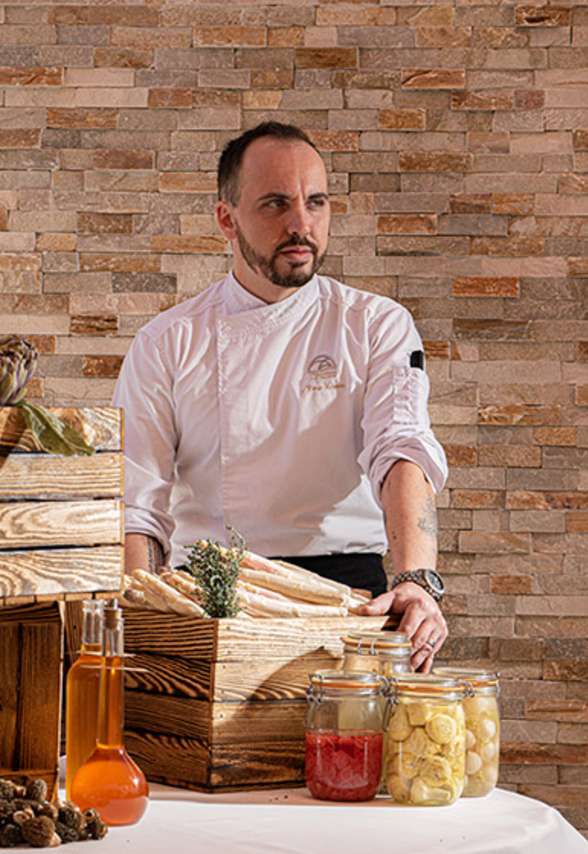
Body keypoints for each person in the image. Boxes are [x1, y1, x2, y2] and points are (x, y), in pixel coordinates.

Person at [111, 121, 449, 672]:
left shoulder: (374, 325)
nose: (301, 224)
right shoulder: (166, 343)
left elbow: (402, 447)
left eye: (315, 202)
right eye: (274, 205)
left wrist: (415, 579)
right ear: (227, 218)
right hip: (211, 601)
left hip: (347, 600)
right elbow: (138, 508)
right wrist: (143, 623)